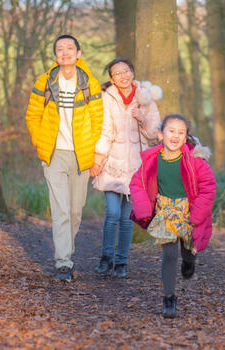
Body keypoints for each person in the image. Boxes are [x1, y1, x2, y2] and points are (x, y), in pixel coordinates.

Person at [25, 35, 103, 282]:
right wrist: (41, 143)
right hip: (54, 154)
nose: (65, 52)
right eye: (60, 49)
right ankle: (63, 263)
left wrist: (92, 151)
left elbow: (98, 121)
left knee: (75, 211)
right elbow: (32, 115)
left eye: (70, 48)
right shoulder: (46, 81)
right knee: (61, 210)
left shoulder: (90, 83)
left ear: (79, 53)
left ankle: (66, 251)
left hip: (81, 156)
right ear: (55, 55)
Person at [129, 114, 216, 318]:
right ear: (161, 134)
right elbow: (137, 183)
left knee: (187, 250)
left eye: (181, 132)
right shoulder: (152, 160)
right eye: (171, 131)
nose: (175, 136)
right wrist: (143, 210)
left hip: (188, 212)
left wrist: (195, 216)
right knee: (169, 254)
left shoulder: (195, 162)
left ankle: (189, 261)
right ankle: (169, 298)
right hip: (165, 211)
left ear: (186, 138)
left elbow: (208, 188)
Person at [90, 58, 161, 278]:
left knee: (127, 217)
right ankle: (106, 258)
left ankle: (122, 262)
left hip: (136, 167)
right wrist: (99, 159)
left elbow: (153, 134)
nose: (123, 75)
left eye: (126, 70)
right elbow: (105, 130)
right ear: (111, 78)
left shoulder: (145, 97)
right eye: (117, 73)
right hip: (113, 164)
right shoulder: (107, 98)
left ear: (132, 72)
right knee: (112, 213)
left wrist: (141, 118)